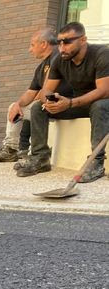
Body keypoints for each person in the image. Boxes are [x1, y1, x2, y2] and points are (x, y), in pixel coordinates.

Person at [17, 22, 109, 179]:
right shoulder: (60, 60)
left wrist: (70, 103)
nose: (62, 47)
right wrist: (50, 101)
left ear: (83, 40)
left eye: (67, 42)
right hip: (80, 103)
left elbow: (103, 91)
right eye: (59, 42)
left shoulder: (101, 54)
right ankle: (40, 158)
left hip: (103, 102)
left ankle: (96, 163)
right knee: (38, 107)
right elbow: (46, 89)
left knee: (99, 105)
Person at [0, 28, 71, 164]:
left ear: (43, 44)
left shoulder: (57, 58)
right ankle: (11, 149)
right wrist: (18, 104)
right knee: (15, 107)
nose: (30, 49)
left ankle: (34, 153)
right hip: (46, 106)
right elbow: (31, 92)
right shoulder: (41, 67)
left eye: (32, 44)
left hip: (63, 105)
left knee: (35, 107)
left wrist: (32, 100)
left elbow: (45, 91)